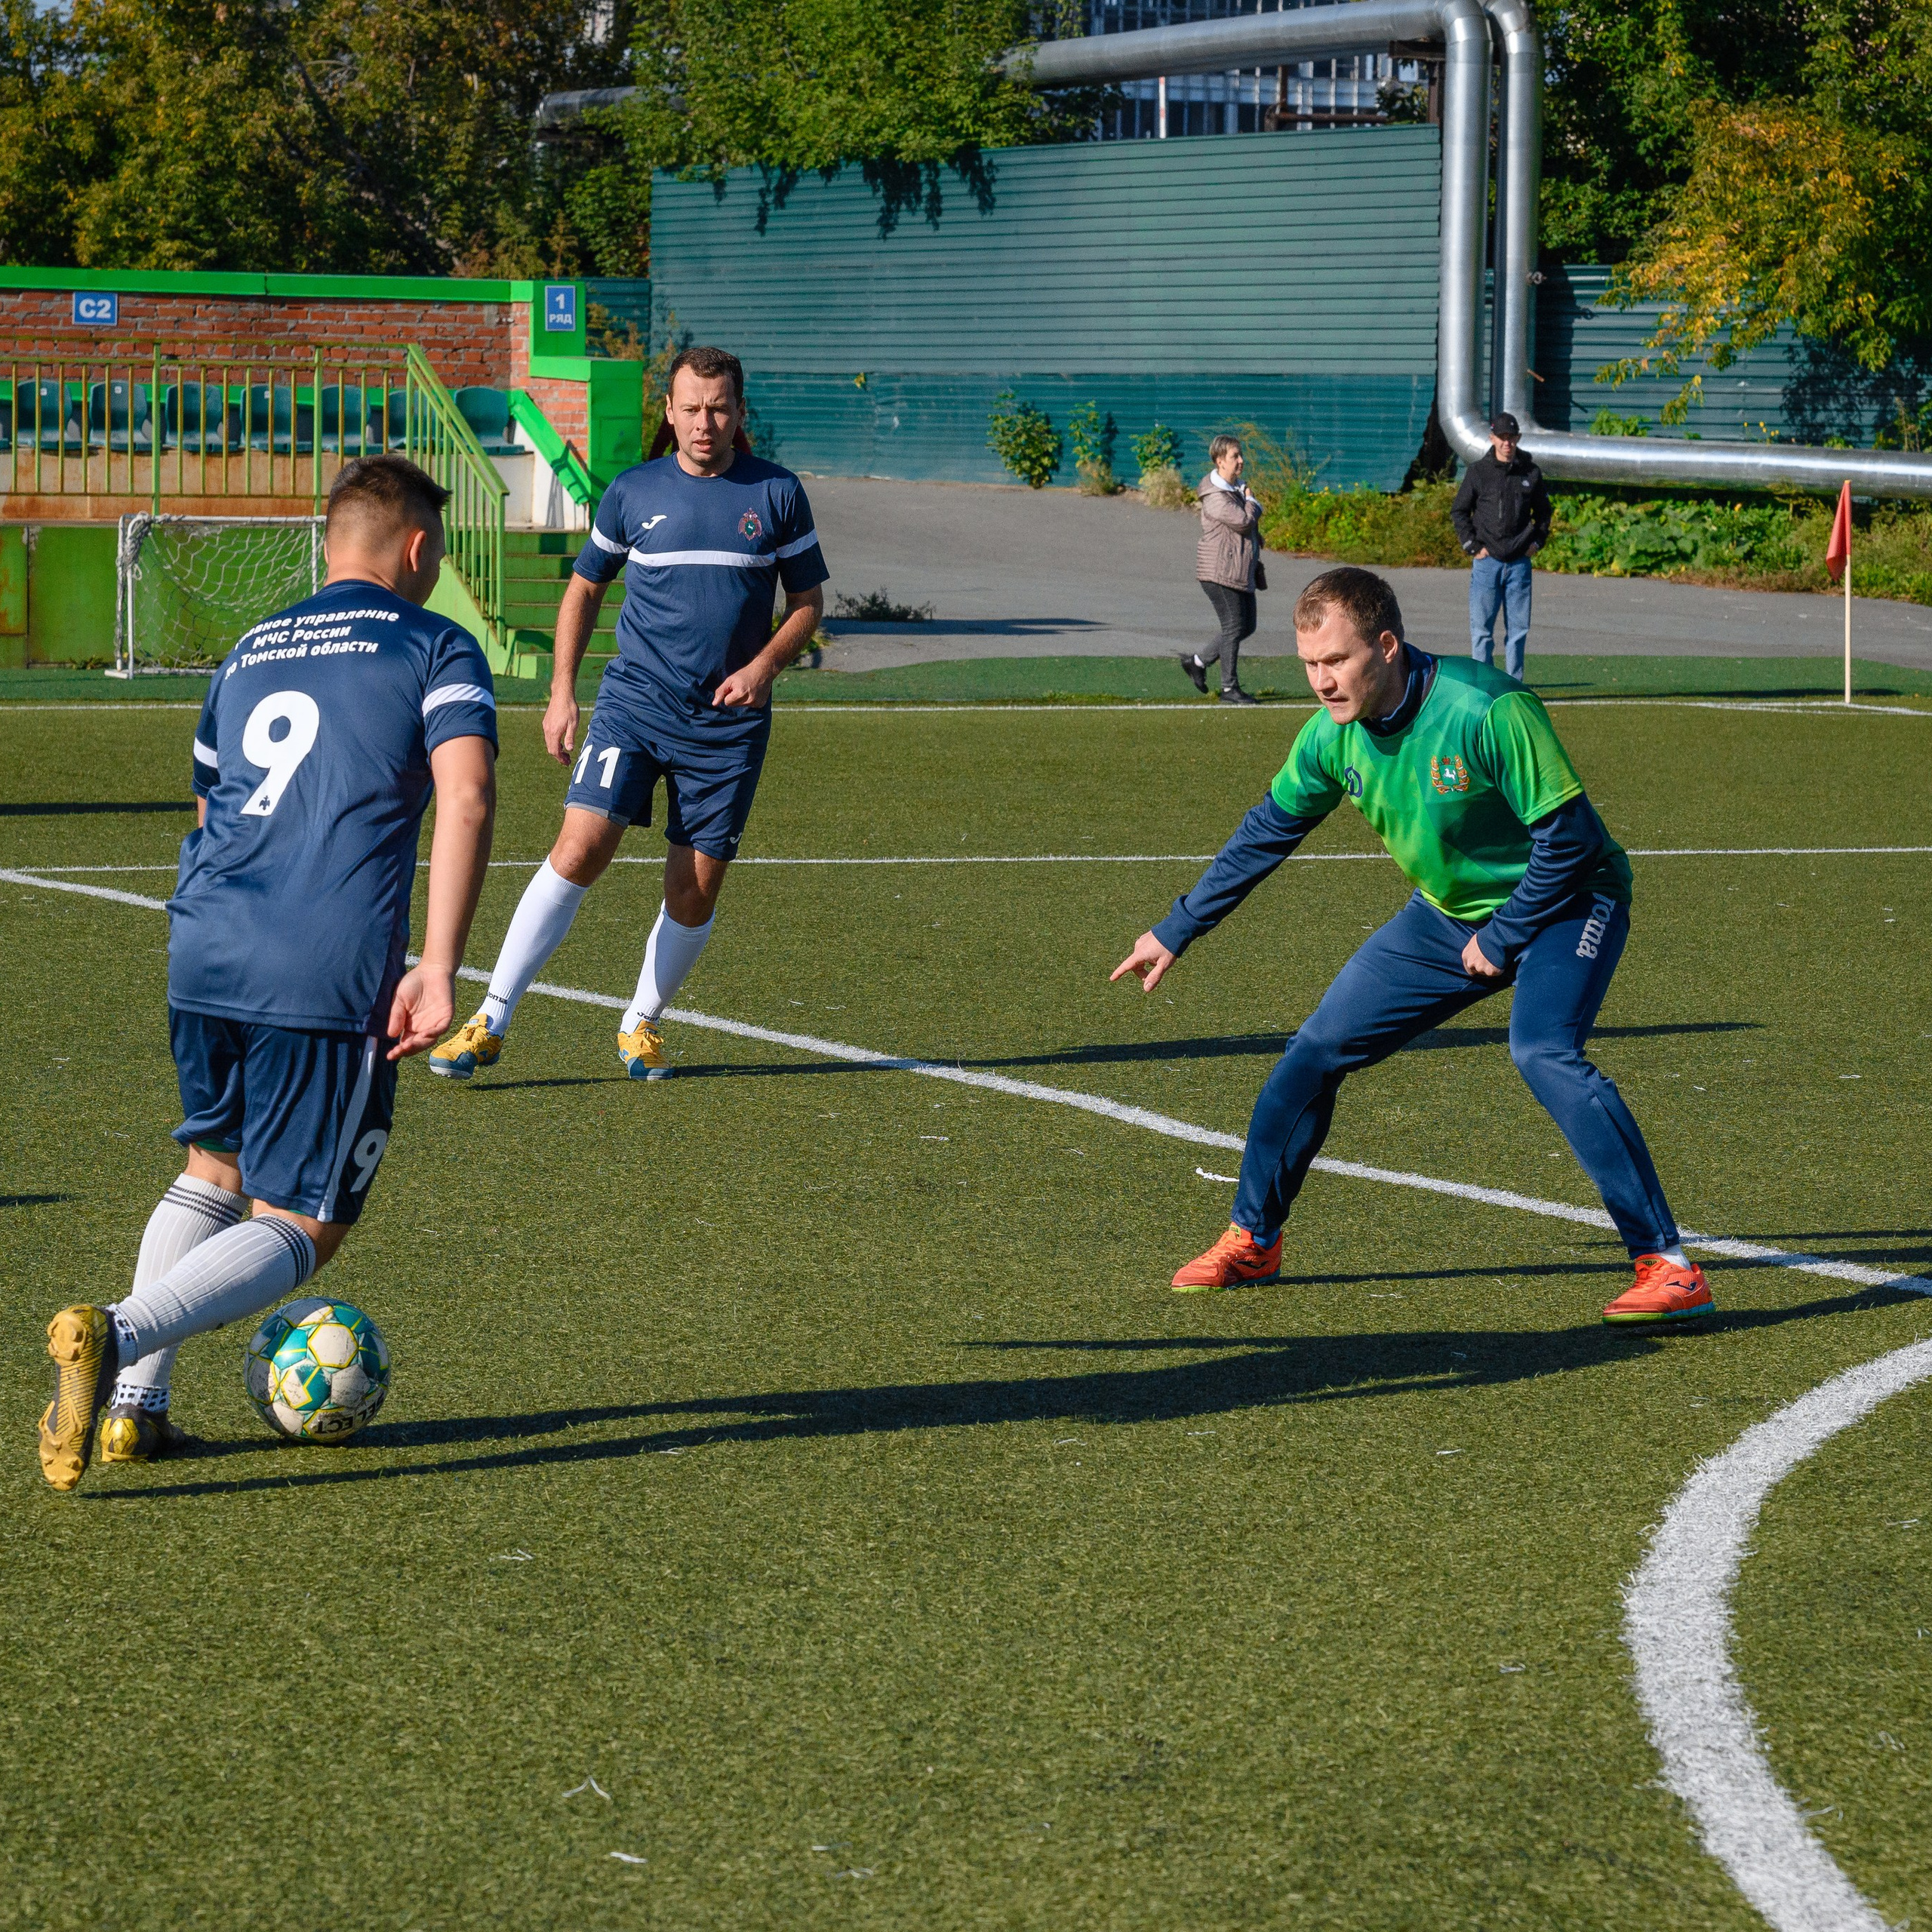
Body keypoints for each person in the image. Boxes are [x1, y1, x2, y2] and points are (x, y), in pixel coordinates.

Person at [37, 455, 499, 1491]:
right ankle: (117, 1332)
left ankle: (134, 1410)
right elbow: (464, 799)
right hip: (322, 962)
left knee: (215, 1168)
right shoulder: (435, 643)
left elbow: (208, 804)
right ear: (419, 548)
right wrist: (438, 962)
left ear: (328, 544)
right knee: (307, 1219)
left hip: (204, 938)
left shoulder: (253, 645)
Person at [1112, 565, 1710, 1326]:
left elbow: (1570, 838)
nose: (1321, 682)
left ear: (1387, 647)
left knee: (1542, 1049)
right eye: (1308, 666)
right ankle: (1254, 1237)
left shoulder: (1486, 708)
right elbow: (1269, 829)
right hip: (1447, 916)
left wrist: (1505, 932)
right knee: (1311, 1054)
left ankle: (1667, 1262)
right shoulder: (1331, 738)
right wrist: (1177, 925)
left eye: (1336, 661)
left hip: (1569, 899)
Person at [429, 346, 828, 1083]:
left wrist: (762, 667)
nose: (704, 423)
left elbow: (807, 606)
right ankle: (490, 1017)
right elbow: (583, 590)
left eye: (718, 408)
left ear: (739, 413)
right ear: (668, 413)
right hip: (634, 706)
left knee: (696, 883)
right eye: (690, 408)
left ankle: (641, 1021)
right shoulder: (632, 491)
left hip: (728, 726)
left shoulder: (776, 494)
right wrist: (561, 691)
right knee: (581, 845)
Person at [1451, 411, 1550, 683]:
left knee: (1518, 630)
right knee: (1482, 630)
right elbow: (1460, 511)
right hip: (1487, 563)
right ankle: (1483, 682)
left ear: (1518, 438)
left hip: (1519, 564)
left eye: (1512, 437)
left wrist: (1537, 542)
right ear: (1492, 438)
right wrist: (1472, 546)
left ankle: (1514, 683)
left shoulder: (1531, 472)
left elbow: (1544, 513)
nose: (1508, 443)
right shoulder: (1478, 472)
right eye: (1502, 437)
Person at [1180, 433, 1264, 706]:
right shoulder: (1215, 495)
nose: (1241, 461)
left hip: (1239, 570)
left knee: (1246, 625)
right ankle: (1229, 688)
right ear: (1219, 461)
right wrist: (1254, 503)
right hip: (1218, 571)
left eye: (1240, 455)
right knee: (1233, 626)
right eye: (1234, 456)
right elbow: (1241, 521)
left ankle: (1197, 662)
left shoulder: (1235, 489)